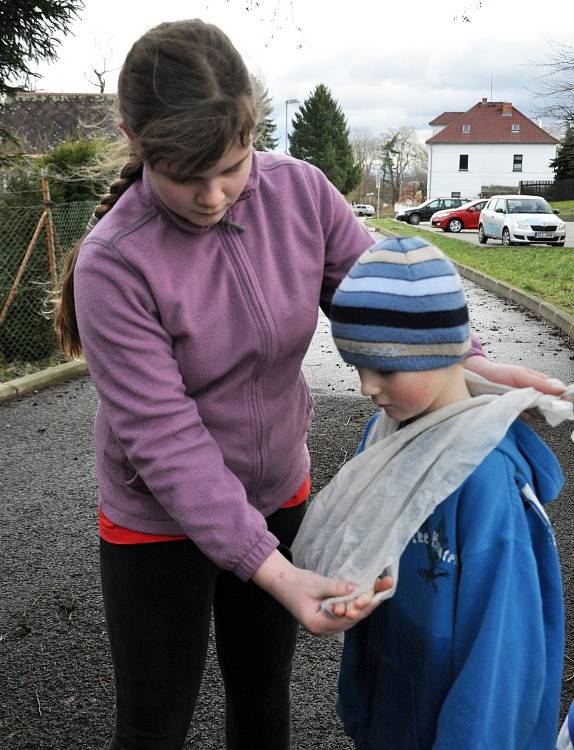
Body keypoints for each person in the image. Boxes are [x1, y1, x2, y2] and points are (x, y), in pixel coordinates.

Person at [53, 19, 565, 750]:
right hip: (155, 520)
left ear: (253, 126)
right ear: (136, 141)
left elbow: (388, 305)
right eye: (183, 177)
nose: (212, 196)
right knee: (153, 723)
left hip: (275, 494)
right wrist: (275, 572)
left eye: (230, 167)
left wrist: (473, 362)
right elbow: (165, 440)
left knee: (263, 704)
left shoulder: (301, 194)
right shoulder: (114, 264)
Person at [323, 236, 564, 748]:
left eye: (384, 368)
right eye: (357, 367)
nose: (367, 387)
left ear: (444, 352)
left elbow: (500, 653)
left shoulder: (486, 480)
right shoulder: (386, 432)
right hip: (395, 707)